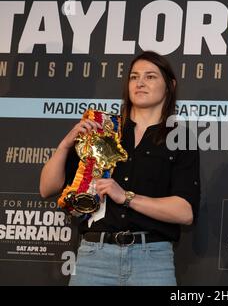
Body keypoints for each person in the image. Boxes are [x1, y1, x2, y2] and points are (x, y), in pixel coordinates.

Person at [40, 51, 200, 286]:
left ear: (170, 85)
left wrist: (125, 197)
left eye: (150, 77)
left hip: (152, 261)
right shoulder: (102, 130)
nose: (140, 83)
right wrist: (66, 144)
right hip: (94, 257)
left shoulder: (181, 138)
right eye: (134, 77)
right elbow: (47, 188)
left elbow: (185, 212)